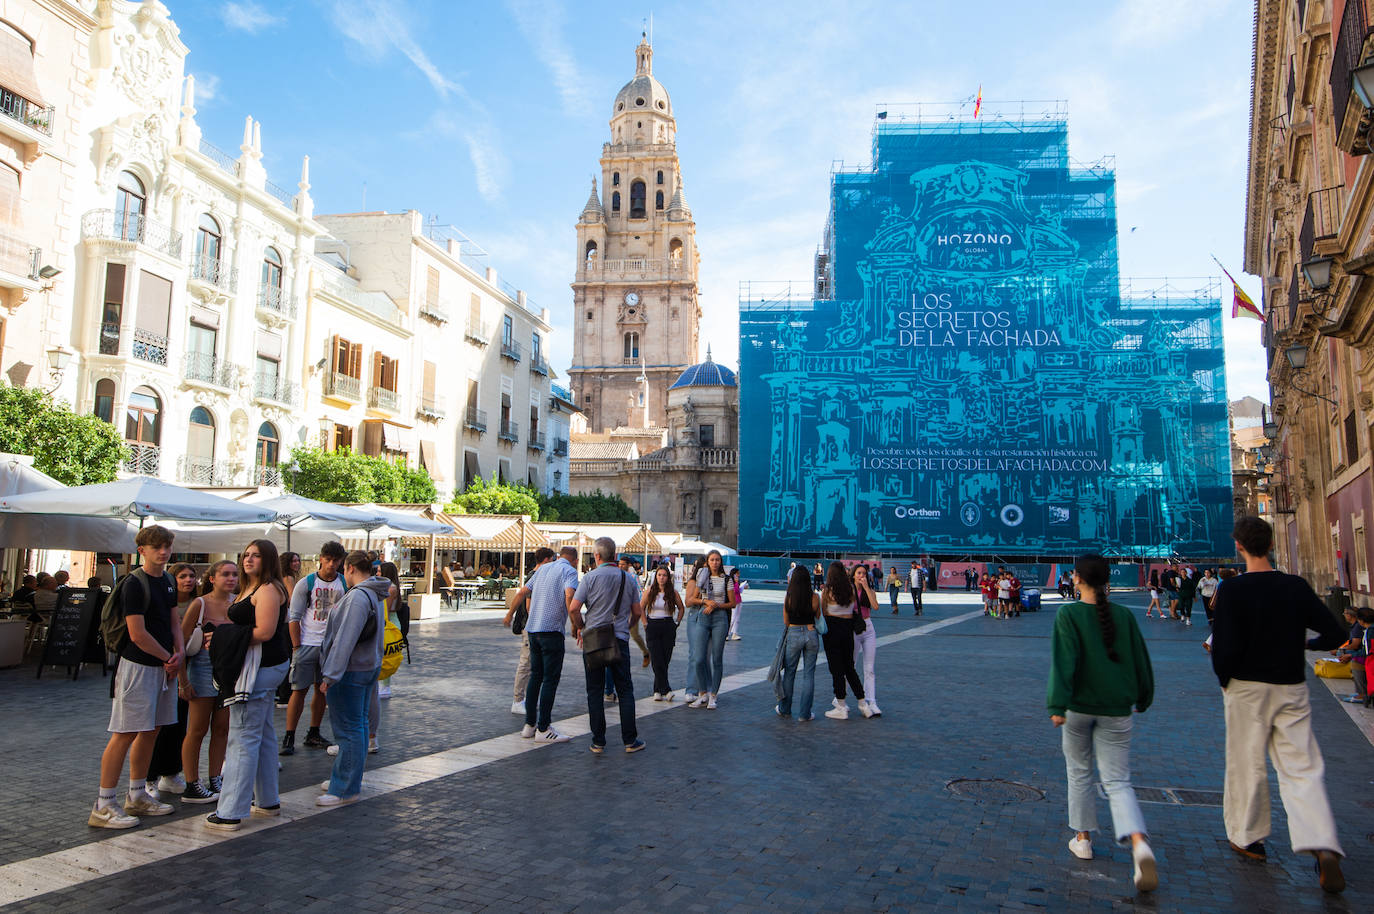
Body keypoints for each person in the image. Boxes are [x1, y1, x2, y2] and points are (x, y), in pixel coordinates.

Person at [1210, 516, 1346, 893]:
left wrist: (1225, 680)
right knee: (1302, 767)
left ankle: (1249, 837)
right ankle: (1321, 843)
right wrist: (1308, 645)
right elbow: (1335, 631)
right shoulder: (1296, 586)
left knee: (1246, 763)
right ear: (1270, 545)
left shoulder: (1233, 590)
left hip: (1246, 687)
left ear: (1239, 546)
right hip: (1290, 685)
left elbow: (1223, 646)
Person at [1047, 554, 1157, 892]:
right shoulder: (1123, 615)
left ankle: (1082, 840)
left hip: (1078, 709)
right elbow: (1141, 659)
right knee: (1118, 782)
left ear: (1077, 579)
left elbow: (1065, 661)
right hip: (1117, 710)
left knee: (1079, 773)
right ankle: (1139, 844)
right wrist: (1143, 697)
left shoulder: (1068, 614)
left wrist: (1057, 704)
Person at [88, 525, 182, 829]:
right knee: (125, 732)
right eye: (156, 546)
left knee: (151, 730)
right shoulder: (134, 584)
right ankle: (103, 804)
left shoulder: (168, 580)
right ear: (141, 550)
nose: (163, 551)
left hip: (164, 666)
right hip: (138, 666)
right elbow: (136, 633)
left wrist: (178, 653)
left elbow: (173, 621)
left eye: (166, 545)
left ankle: (138, 793)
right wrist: (169, 657)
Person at [204, 539, 291, 831]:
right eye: (246, 555)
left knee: (242, 737)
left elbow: (265, 631)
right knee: (262, 733)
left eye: (256, 556)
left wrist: (221, 638)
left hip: (260, 668)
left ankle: (230, 811)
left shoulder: (267, 589)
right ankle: (267, 800)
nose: (248, 560)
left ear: (268, 560)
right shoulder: (254, 587)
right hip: (263, 665)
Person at [315, 551, 389, 807]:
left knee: (349, 729)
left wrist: (330, 674)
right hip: (366, 667)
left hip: (351, 670)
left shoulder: (359, 596)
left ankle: (345, 787)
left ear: (349, 568)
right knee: (357, 727)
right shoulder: (375, 593)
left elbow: (345, 638)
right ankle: (347, 778)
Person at [569, 536, 645, 753]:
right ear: (615, 555)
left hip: (593, 640)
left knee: (594, 691)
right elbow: (637, 611)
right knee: (625, 690)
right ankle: (630, 740)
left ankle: (598, 741)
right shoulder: (628, 579)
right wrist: (627, 627)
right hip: (618, 639)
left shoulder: (590, 578)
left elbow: (574, 608)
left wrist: (582, 627)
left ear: (597, 555)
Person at [281, 541, 347, 756]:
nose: (331, 564)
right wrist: (297, 646)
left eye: (335, 560)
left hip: (330, 646)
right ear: (321, 558)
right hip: (308, 642)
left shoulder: (344, 583)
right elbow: (294, 617)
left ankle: (313, 732)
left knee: (322, 689)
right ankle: (289, 735)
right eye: (328, 559)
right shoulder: (306, 583)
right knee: (298, 690)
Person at [179, 561, 236, 804]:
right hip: (202, 669)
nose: (231, 578)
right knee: (198, 729)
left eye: (234, 574)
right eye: (225, 574)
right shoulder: (200, 604)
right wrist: (183, 681)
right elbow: (180, 644)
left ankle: (215, 777)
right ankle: (192, 782)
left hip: (228, 671)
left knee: (222, 727)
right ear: (212, 578)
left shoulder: (239, 602)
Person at [145, 562, 200, 798]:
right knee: (157, 726)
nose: (188, 580)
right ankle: (149, 777)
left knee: (178, 726)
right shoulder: (166, 603)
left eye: (191, 576)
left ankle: (170, 773)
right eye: (182, 576)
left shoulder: (198, 603)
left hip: (189, 669)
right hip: (163, 668)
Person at [515, 545, 579, 743]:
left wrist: (509, 614)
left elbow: (523, 592)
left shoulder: (542, 568)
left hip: (533, 629)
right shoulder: (569, 571)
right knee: (550, 680)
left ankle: (529, 724)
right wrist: (575, 623)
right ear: (575, 560)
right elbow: (569, 595)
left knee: (536, 677)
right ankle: (544, 727)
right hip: (551, 631)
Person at [505, 548, 555, 714]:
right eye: (552, 559)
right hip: (531, 625)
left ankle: (526, 698)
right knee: (526, 662)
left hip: (533, 626)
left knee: (533, 663)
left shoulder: (535, 575)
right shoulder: (535, 576)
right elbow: (528, 604)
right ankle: (518, 700)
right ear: (547, 560)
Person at [819, 561, 869, 719]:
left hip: (832, 631)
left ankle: (841, 706)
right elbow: (853, 609)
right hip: (847, 631)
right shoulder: (851, 589)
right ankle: (863, 704)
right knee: (850, 668)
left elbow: (823, 612)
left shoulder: (827, 591)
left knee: (836, 670)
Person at [685, 550, 734, 709]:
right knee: (699, 658)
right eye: (712, 560)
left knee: (716, 658)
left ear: (721, 562)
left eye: (718, 560)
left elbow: (732, 603)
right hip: (704, 615)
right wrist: (706, 602)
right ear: (708, 561)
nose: (715, 563)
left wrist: (717, 605)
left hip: (719, 618)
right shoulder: (702, 577)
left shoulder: (727, 579)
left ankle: (713, 695)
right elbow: (692, 599)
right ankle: (702, 693)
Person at [776, 565, 821, 721]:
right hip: (811, 634)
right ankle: (804, 714)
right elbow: (818, 617)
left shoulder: (789, 596)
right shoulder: (815, 597)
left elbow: (786, 621)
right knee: (809, 675)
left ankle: (785, 709)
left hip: (794, 634)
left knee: (789, 673)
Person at [642, 564, 684, 700]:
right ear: (656, 577)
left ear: (668, 577)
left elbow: (681, 608)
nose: (661, 578)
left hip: (668, 625)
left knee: (665, 659)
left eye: (664, 575)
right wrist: (645, 623)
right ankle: (666, 690)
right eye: (659, 575)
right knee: (656, 659)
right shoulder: (649, 591)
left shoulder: (673, 593)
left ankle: (657, 690)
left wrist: (677, 622)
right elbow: (640, 608)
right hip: (653, 625)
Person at [850, 564, 882, 717]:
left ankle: (872, 701)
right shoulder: (849, 591)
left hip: (868, 627)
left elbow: (875, 606)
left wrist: (867, 588)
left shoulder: (870, 591)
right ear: (853, 575)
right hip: (854, 628)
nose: (861, 575)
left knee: (869, 668)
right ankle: (839, 698)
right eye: (858, 573)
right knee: (851, 665)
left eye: (864, 573)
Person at [726, 567, 745, 641]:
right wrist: (737, 583)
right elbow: (734, 591)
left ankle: (734, 633)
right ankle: (726, 634)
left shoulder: (737, 581)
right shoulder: (731, 582)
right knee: (732, 618)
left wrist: (742, 587)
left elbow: (738, 591)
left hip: (739, 601)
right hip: (734, 601)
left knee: (737, 618)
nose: (739, 575)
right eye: (737, 573)